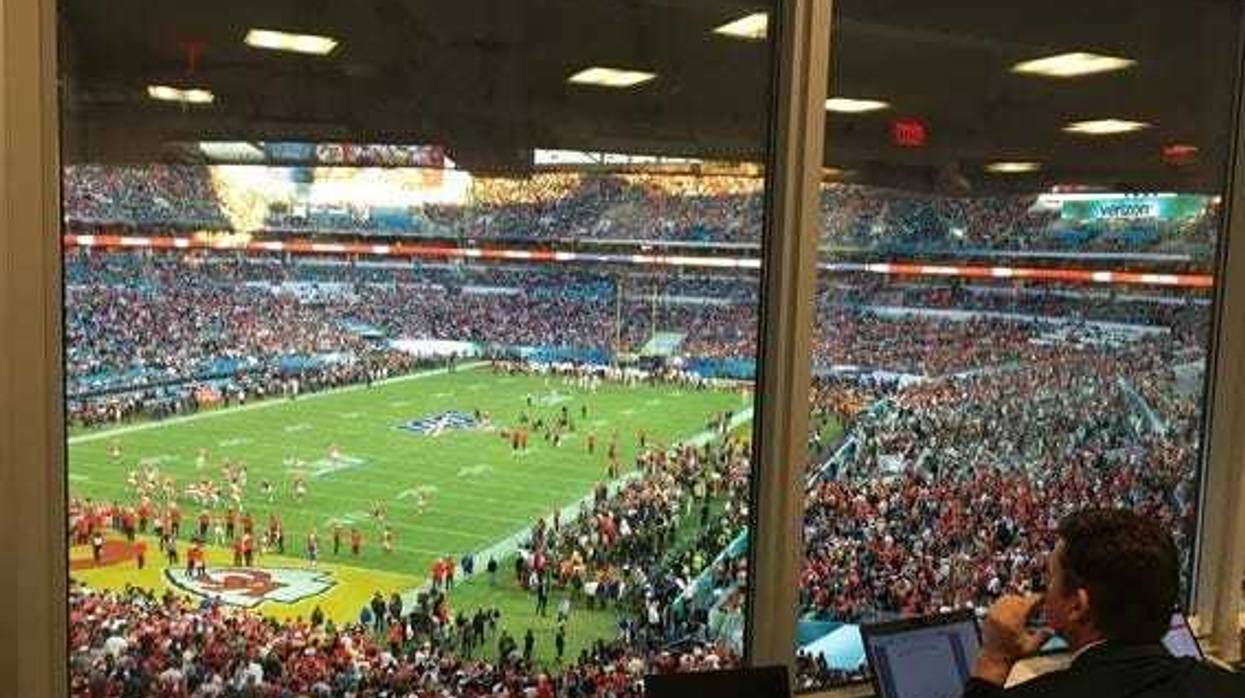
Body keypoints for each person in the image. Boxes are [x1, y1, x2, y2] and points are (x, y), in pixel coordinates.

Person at [963, 509, 1244, 698]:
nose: (1043, 593)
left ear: (1077, 605)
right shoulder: (1226, 685)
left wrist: (994, 659)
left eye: (1050, 580)